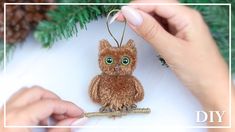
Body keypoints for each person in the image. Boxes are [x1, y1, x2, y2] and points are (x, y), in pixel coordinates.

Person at [0, 0, 234, 132]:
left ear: (131, 57)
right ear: (103, 56)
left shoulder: (133, 82)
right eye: (110, 61)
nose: (117, 67)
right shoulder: (99, 81)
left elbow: (138, 92)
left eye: (123, 61)